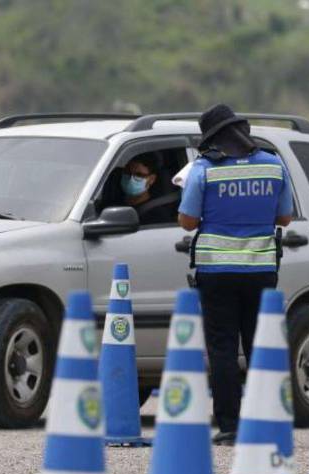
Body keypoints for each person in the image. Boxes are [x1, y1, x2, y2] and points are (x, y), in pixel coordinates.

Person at [178, 104, 292, 446]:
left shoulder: (203, 170)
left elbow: (187, 222)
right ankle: (265, 424)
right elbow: (284, 218)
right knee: (260, 347)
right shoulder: (274, 165)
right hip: (261, 272)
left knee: (223, 349)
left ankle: (229, 426)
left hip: (217, 272)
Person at [120, 152, 176, 225]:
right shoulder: (114, 204)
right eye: (127, 172)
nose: (131, 179)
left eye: (139, 175)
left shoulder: (157, 216)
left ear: (151, 179)